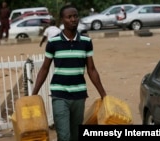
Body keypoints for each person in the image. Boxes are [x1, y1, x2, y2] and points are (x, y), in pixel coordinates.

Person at [32, 4, 107, 141]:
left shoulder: (86, 42)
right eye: (69, 17)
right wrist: (33, 94)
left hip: (79, 95)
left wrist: (104, 95)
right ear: (62, 20)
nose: (73, 19)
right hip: (59, 95)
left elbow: (91, 69)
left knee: (75, 135)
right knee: (64, 136)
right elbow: (44, 69)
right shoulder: (53, 43)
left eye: (75, 16)